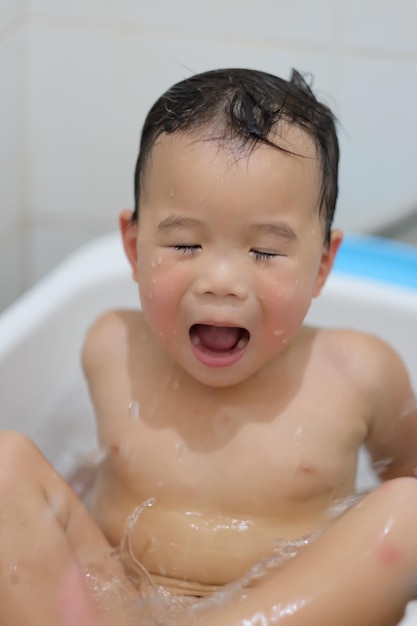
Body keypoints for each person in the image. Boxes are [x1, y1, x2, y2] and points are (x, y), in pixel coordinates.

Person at [2, 67, 417, 626]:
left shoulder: (359, 372)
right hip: (117, 611)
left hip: (289, 610)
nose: (220, 281)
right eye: (185, 243)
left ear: (322, 264)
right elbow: (83, 485)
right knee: (5, 464)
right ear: (133, 245)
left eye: (266, 252)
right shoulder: (111, 347)